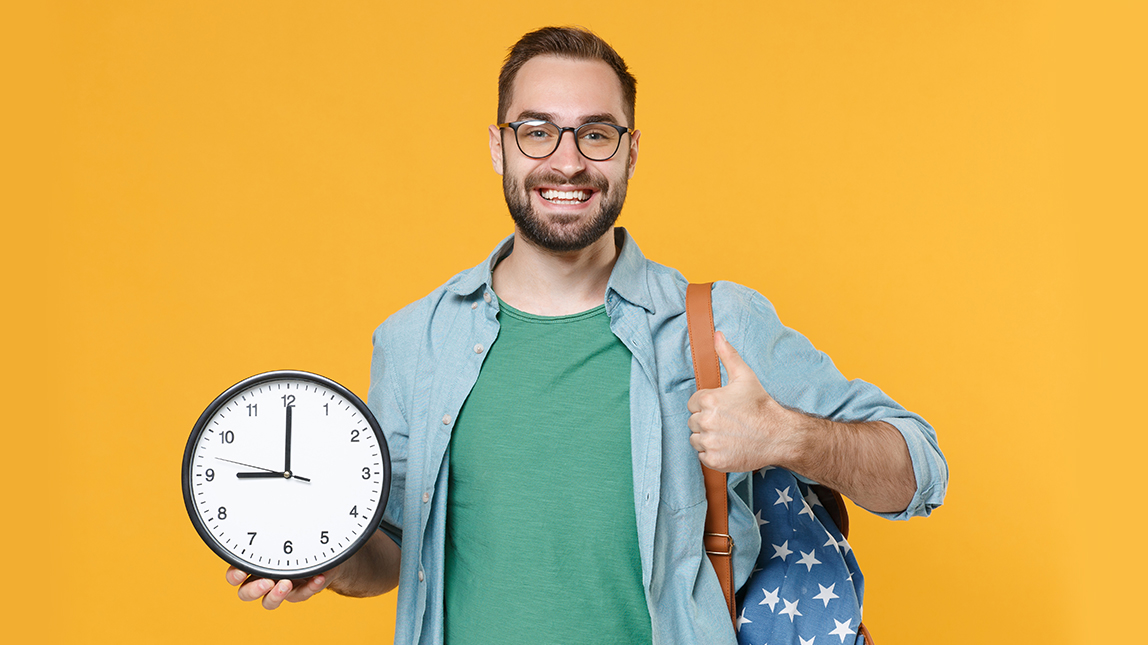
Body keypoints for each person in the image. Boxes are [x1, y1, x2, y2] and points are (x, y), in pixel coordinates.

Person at [225, 26, 947, 644]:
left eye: (595, 134)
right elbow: (395, 552)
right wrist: (332, 562)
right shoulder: (418, 339)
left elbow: (920, 469)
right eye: (537, 131)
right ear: (498, 147)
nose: (566, 162)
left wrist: (790, 437)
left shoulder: (716, 324)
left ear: (630, 150)